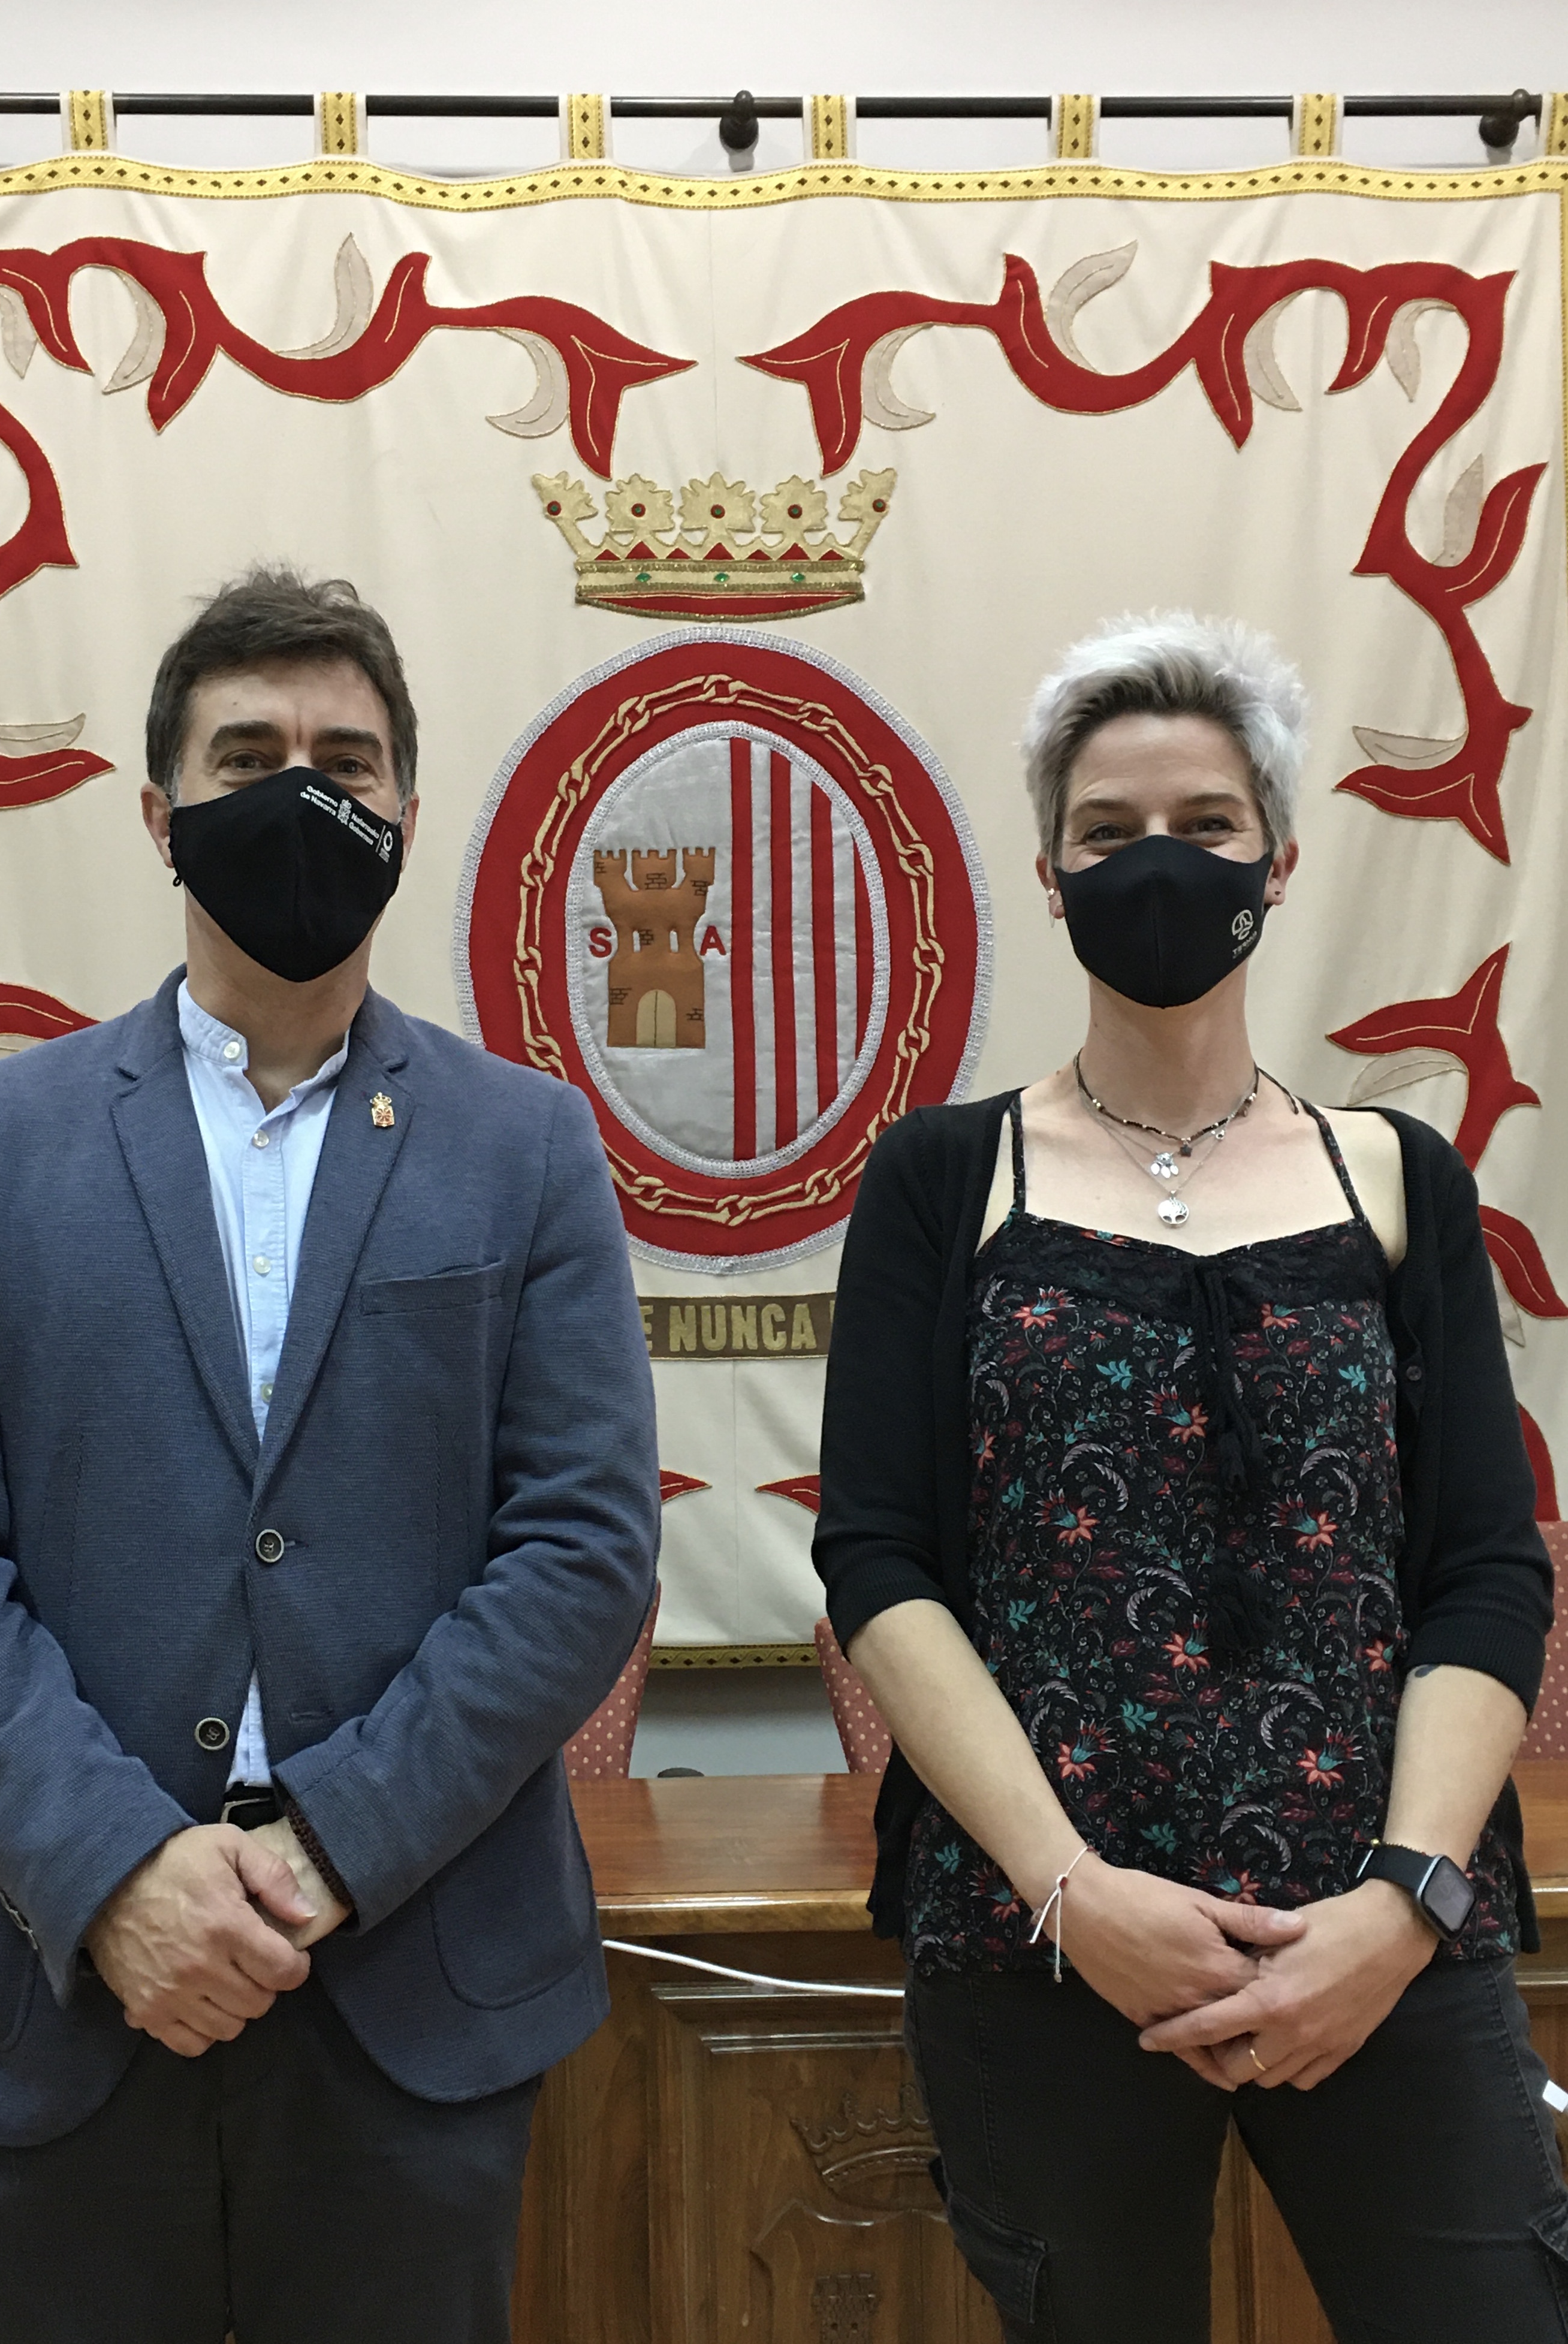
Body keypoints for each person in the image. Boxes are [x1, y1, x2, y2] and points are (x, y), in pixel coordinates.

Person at [0, 567, 660, 2344]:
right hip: (58, 1986)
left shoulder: (528, 1148)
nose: (303, 794)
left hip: (407, 1990)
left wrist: (327, 1851)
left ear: (408, 816)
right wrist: (118, 1872)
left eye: (345, 762)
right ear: (161, 817)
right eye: (247, 758)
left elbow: (584, 1545)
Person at [814, 613, 1564, 2343]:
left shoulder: (1400, 1181)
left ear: (1279, 862)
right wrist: (1073, 1895)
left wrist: (1401, 1907)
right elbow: (881, 1567)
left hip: (1386, 1937)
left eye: (1208, 824)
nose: (1159, 862)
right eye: (1109, 831)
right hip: (1051, 1945)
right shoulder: (942, 1179)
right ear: (1049, 876)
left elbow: (1485, 1571)